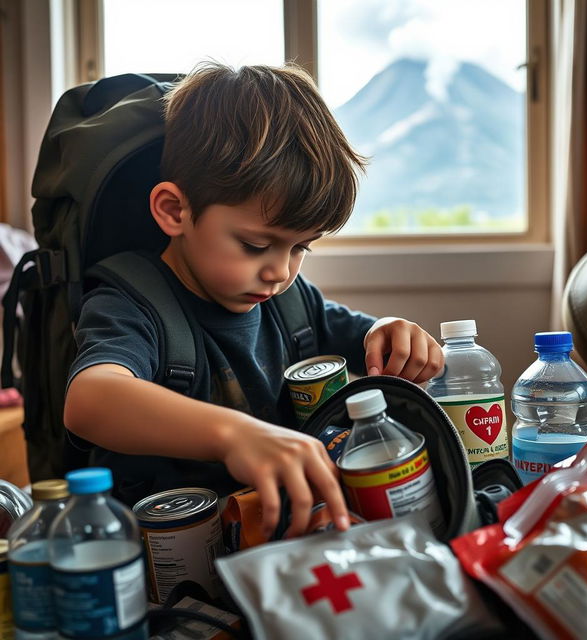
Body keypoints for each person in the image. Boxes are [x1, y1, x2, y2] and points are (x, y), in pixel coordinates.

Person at [63, 62, 444, 539]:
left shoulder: (287, 301)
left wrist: (390, 329)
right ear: (175, 210)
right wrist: (234, 435)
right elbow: (90, 398)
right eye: (255, 245)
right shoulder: (131, 303)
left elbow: (368, 339)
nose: (280, 271)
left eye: (301, 247)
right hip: (168, 569)